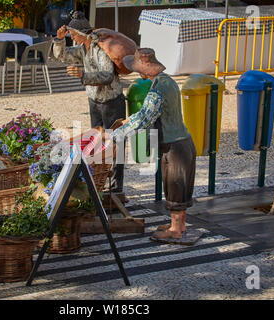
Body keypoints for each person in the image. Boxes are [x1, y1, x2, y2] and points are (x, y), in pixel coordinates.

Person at [109, 48, 197, 242]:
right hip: (184, 143)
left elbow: (143, 119)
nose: (137, 73)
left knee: (175, 187)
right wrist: (128, 121)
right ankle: (179, 225)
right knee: (180, 188)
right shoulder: (168, 81)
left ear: (147, 68)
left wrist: (115, 136)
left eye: (138, 68)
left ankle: (175, 230)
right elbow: (149, 114)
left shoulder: (157, 90)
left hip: (174, 148)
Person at [52, 11, 125, 193]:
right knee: (97, 143)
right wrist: (59, 40)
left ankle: (116, 184)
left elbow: (108, 75)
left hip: (111, 102)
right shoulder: (82, 49)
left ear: (83, 34)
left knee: (115, 143)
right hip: (94, 101)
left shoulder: (99, 49)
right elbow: (62, 57)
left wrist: (83, 75)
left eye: (74, 35)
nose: (73, 38)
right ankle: (101, 179)